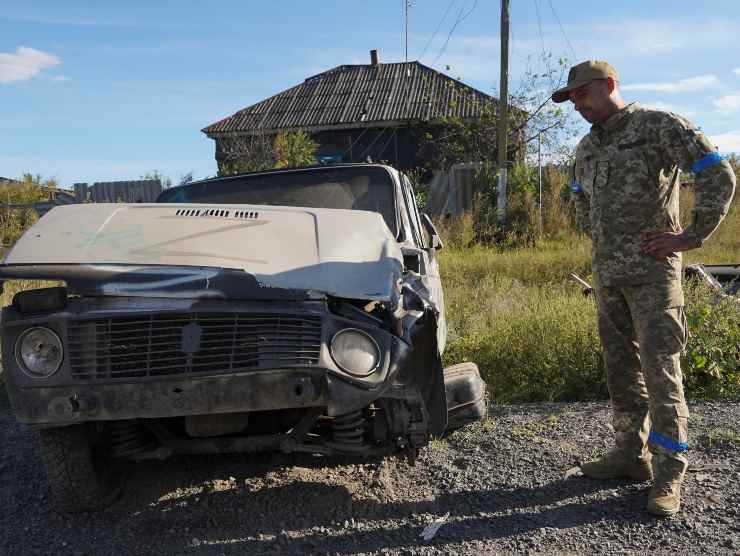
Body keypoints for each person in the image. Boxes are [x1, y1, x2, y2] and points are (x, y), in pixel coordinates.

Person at [551, 60, 736, 516]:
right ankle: (629, 455)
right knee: (622, 373)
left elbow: (719, 173)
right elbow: (579, 194)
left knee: (660, 373)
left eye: (583, 94)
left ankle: (669, 472)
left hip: (654, 277)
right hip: (609, 276)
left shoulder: (657, 126)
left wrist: (689, 237)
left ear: (610, 85)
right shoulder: (586, 147)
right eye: (571, 98)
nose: (577, 104)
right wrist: (598, 235)